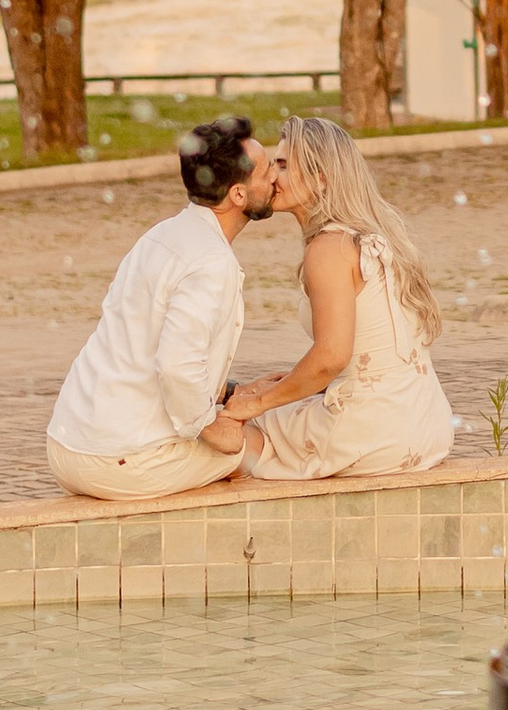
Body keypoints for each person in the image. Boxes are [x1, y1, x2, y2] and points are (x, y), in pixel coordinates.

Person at [44, 115, 279, 503]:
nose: (275, 177)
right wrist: (211, 428)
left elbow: (144, 348)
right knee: (266, 449)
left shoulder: (161, 236)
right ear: (238, 195)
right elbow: (176, 365)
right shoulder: (210, 262)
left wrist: (231, 393)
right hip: (118, 460)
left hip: (68, 444)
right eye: (267, 169)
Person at [211, 113, 455, 481]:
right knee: (271, 412)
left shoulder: (329, 248)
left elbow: (331, 357)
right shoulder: (372, 238)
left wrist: (254, 403)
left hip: (374, 433)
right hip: (428, 425)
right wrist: (286, 385)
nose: (272, 176)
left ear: (321, 178)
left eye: (283, 165)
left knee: (228, 435)